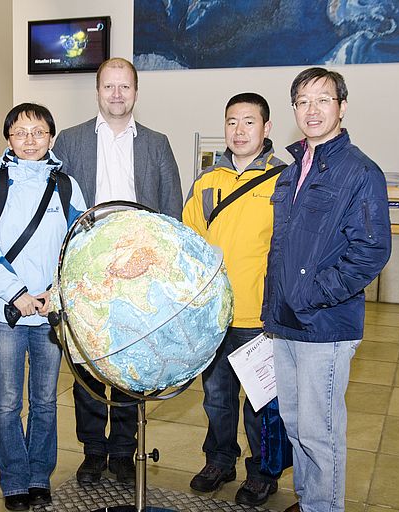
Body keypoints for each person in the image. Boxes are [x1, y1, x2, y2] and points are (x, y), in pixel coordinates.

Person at [262, 67, 391, 512]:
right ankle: (309, 500)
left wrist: (313, 294)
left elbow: (370, 251)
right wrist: (275, 310)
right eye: (303, 101)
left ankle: (323, 507)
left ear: (342, 107)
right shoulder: (292, 169)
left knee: (321, 431)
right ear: (294, 109)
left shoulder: (360, 171)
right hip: (285, 322)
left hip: (325, 325)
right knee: (296, 424)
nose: (312, 110)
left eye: (323, 100)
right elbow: (280, 251)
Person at [52, 57, 183, 486]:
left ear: (136, 92)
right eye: (109, 86)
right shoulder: (69, 141)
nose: (117, 94)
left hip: (137, 272)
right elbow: (53, 207)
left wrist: (162, 268)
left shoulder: (157, 143)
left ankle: (124, 450)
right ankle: (93, 451)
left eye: (125, 87)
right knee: (87, 365)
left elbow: (171, 209)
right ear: (97, 90)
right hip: (87, 270)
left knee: (133, 364)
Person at [0, 103, 86, 511]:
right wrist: (17, 293)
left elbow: (79, 243)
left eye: (38, 132)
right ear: (8, 139)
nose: (30, 140)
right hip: (6, 314)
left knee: (47, 401)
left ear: (51, 137)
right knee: (8, 400)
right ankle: (14, 479)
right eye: (20, 132)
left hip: (50, 310)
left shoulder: (67, 186)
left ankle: (39, 476)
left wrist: (54, 291)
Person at [182, 92, 285, 506]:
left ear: (267, 128)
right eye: (231, 122)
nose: (239, 131)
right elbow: (190, 241)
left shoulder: (285, 180)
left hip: (259, 315)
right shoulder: (207, 181)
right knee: (217, 397)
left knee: (261, 401)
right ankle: (220, 460)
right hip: (214, 315)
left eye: (248, 122)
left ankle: (262, 472)